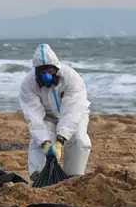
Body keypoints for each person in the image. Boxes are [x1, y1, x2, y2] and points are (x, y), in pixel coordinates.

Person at [20, 43, 92, 178]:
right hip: (48, 116)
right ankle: (39, 175)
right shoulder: (28, 84)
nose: (46, 76)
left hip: (76, 114)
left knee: (79, 140)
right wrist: (46, 143)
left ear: (56, 68)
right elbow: (34, 117)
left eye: (50, 71)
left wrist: (60, 140)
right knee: (39, 142)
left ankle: (74, 175)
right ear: (36, 71)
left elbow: (72, 111)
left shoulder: (71, 78)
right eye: (42, 72)